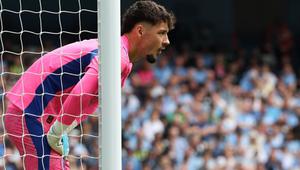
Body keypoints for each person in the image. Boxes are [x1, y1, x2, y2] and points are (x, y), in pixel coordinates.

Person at [4, 1, 175, 169]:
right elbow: (81, 93)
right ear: (140, 30)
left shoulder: (119, 55)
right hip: (31, 112)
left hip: (36, 113)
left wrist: (61, 129)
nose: (166, 41)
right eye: (162, 33)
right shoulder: (116, 55)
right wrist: (57, 131)